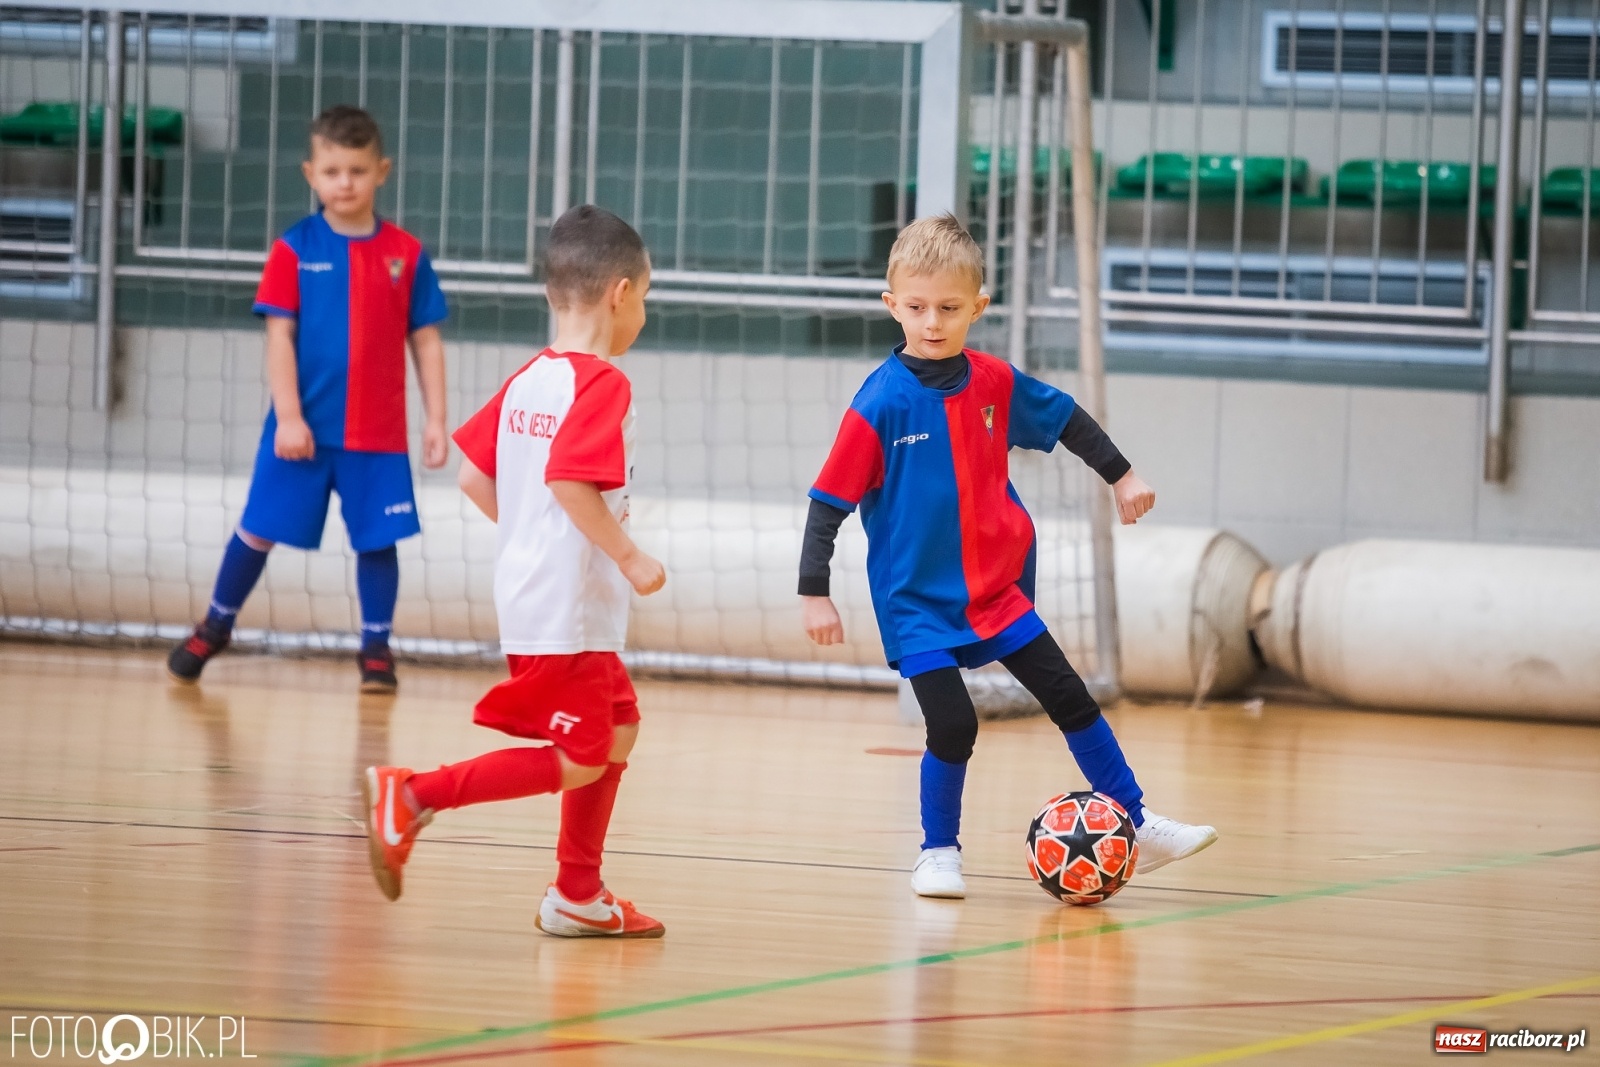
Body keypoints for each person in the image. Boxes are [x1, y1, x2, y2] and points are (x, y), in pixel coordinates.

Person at [799, 213, 1217, 898]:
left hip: (997, 591)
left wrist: (1123, 474)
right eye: (916, 307)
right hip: (917, 604)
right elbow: (828, 502)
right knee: (955, 722)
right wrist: (813, 590)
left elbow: (1065, 417)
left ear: (979, 307)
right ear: (891, 305)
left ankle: (1137, 821)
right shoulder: (878, 404)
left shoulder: (994, 382)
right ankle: (937, 851)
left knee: (1069, 695)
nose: (932, 322)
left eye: (949, 308)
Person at [360, 205, 667, 939]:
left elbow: (473, 477)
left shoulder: (532, 377)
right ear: (621, 293)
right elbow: (569, 480)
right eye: (648, 298)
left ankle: (577, 893)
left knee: (618, 726)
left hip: (537, 596)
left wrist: (538, 538)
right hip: (568, 610)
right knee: (580, 757)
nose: (644, 312)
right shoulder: (604, 383)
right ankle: (415, 794)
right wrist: (627, 555)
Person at [166, 105, 449, 694]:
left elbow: (426, 340)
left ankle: (376, 649)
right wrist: (289, 418)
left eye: (357, 170)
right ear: (310, 174)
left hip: (376, 436)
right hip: (301, 434)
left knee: (378, 540)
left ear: (382, 172)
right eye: (331, 170)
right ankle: (216, 624)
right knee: (257, 530)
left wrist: (437, 421)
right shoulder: (292, 250)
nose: (344, 182)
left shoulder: (407, 254)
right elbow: (279, 339)